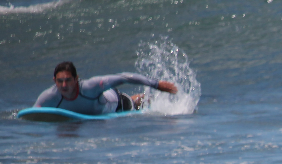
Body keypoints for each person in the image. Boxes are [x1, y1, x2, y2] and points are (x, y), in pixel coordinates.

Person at [33, 62, 177, 115]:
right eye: (60, 81)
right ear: (54, 81)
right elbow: (33, 112)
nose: (64, 85)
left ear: (76, 79)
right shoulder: (48, 96)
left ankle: (148, 99)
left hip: (114, 103)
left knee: (134, 104)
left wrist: (156, 84)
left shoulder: (91, 86)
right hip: (92, 111)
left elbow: (124, 77)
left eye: (68, 80)